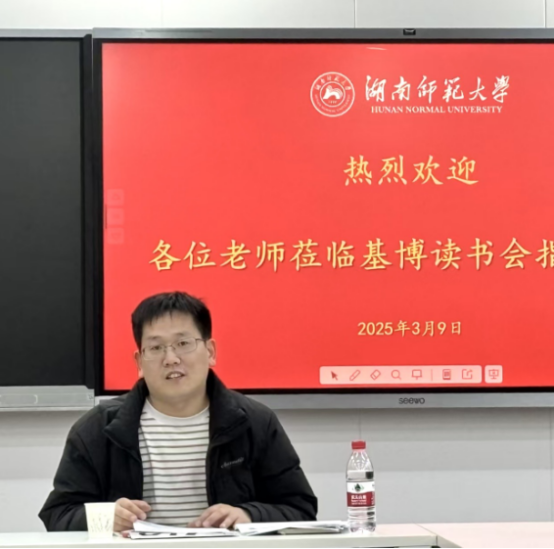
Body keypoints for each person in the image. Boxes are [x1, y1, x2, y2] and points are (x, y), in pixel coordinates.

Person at [40, 292, 317, 532]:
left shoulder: (254, 422)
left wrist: (249, 515)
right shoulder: (98, 428)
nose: (171, 358)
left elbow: (300, 509)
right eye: (156, 347)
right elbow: (58, 515)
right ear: (139, 361)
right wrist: (105, 517)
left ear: (210, 351)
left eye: (183, 344)